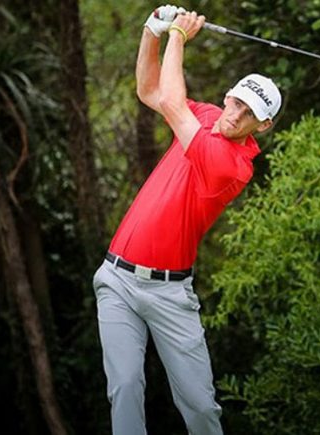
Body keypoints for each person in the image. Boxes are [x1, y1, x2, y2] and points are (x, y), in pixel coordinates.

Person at [92, 5, 282, 434]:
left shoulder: (234, 165)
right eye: (235, 100)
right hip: (117, 280)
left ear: (263, 125)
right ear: (229, 93)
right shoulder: (210, 116)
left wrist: (178, 35)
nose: (235, 113)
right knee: (124, 387)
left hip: (169, 295)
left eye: (248, 112)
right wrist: (151, 32)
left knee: (199, 405)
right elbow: (150, 90)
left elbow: (175, 104)